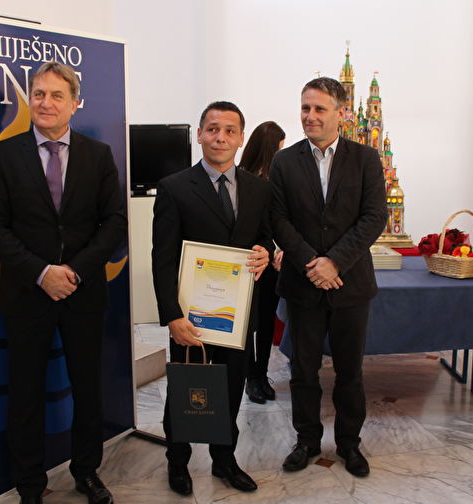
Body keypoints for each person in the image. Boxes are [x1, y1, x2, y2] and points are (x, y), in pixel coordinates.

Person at [0, 61, 126, 504]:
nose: (45, 103)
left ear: (75, 104)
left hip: (84, 293)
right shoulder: (3, 156)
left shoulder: (98, 155)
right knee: (26, 393)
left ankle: (87, 472)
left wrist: (75, 271)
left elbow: (114, 222)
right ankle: (29, 484)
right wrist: (42, 273)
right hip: (28, 293)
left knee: (87, 389)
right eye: (39, 94)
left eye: (56, 95)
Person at [152, 101, 273, 496]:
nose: (221, 137)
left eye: (229, 131)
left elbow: (265, 238)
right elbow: (162, 258)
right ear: (200, 135)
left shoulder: (259, 189)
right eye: (213, 129)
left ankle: (225, 460)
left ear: (241, 138)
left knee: (232, 387)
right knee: (186, 387)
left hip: (236, 314)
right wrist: (171, 315)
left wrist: (266, 252)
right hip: (191, 316)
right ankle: (177, 461)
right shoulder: (174, 188)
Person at [270, 77, 387, 477]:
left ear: (341, 112)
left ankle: (349, 445)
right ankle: (306, 441)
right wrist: (312, 263)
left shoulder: (365, 158)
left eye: (320, 108)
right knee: (303, 372)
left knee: (349, 373)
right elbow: (278, 219)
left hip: (350, 283)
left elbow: (375, 216)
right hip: (303, 285)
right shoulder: (284, 161)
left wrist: (335, 262)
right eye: (305, 108)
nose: (310, 116)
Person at [239, 120, 286, 404]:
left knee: (267, 320)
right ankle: (250, 377)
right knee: (247, 323)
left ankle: (261, 374)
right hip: (247, 261)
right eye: (279, 148)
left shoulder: (277, 181)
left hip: (270, 262)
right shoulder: (242, 180)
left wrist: (280, 250)